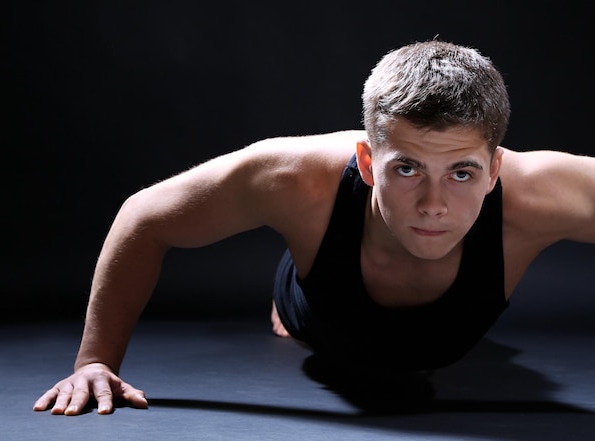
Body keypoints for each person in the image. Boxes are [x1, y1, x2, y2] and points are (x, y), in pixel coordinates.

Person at [33, 40, 595, 416]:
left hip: (453, 332)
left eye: (462, 173)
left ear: (495, 169)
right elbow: (145, 216)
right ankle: (292, 304)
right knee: (317, 325)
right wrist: (96, 361)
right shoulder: (293, 177)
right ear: (368, 161)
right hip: (321, 308)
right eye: (406, 168)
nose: (433, 204)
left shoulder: (540, 192)